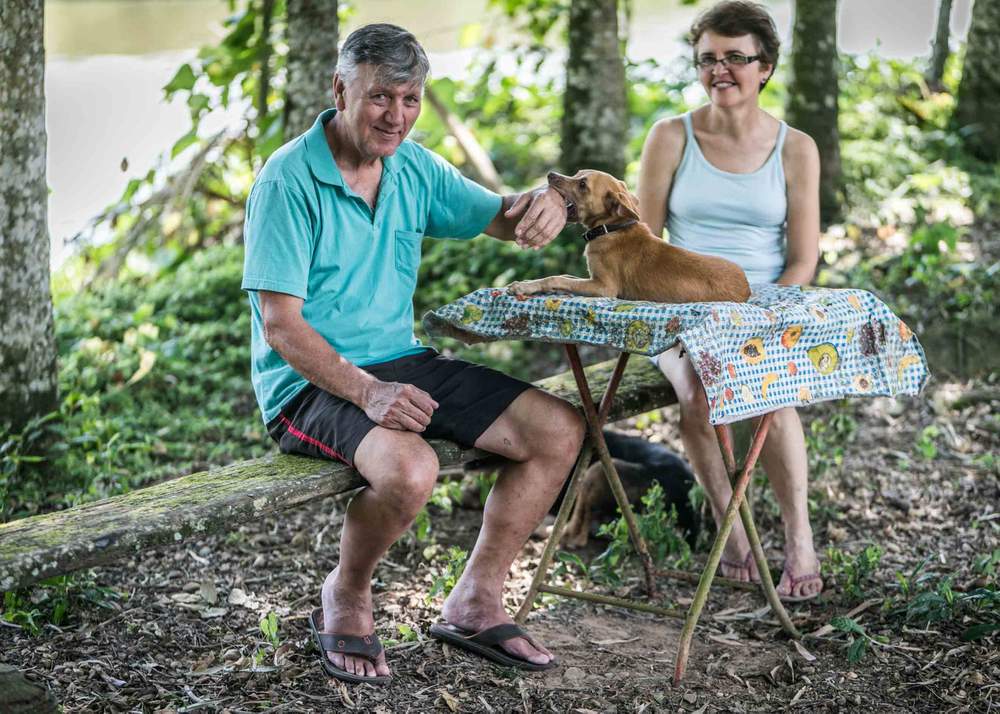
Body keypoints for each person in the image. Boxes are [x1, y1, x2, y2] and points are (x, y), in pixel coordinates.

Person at [241, 23, 584, 683]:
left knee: (558, 430)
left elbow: (503, 216)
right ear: (340, 88)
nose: (396, 116)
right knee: (411, 471)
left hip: (402, 359)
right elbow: (281, 326)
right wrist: (367, 392)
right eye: (379, 98)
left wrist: (553, 201)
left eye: (409, 99)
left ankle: (476, 600)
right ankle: (346, 591)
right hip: (308, 384)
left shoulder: (411, 167)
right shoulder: (287, 180)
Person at [637, 0, 823, 601]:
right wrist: (692, 308)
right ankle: (732, 526)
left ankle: (799, 539)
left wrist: (768, 308)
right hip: (681, 306)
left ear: (764, 67)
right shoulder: (670, 136)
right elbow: (643, 244)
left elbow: (803, 259)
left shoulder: (797, 148)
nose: (721, 70)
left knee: (775, 391)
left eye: (735, 58)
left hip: (766, 305)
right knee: (695, 386)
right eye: (708, 59)